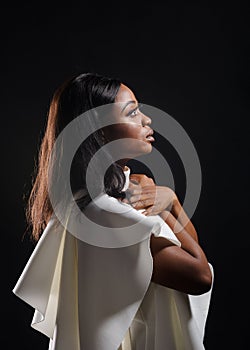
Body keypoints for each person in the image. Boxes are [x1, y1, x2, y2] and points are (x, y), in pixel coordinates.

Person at [13, 72, 214, 350]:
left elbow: (184, 247)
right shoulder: (105, 214)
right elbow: (200, 276)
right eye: (132, 112)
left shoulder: (94, 205)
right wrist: (168, 206)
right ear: (99, 131)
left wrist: (167, 201)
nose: (146, 120)